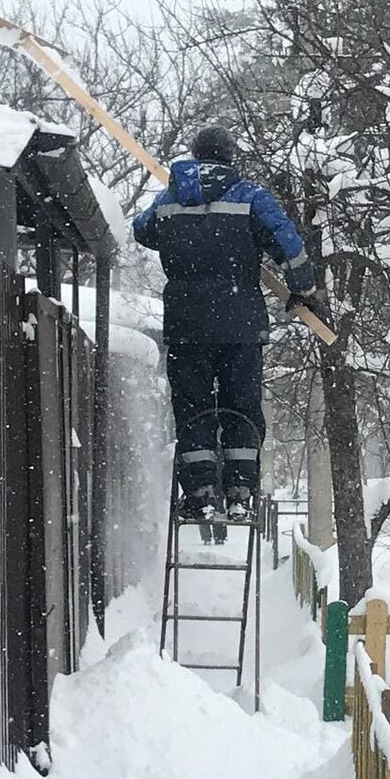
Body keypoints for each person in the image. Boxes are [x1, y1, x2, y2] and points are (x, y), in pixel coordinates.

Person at [134, 126, 316, 520]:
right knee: (242, 405)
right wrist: (303, 287)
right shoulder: (250, 197)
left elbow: (142, 231)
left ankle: (199, 494)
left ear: (196, 155)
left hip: (186, 325)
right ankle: (239, 493)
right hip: (241, 324)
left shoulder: (169, 197)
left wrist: (185, 231)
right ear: (230, 156)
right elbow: (286, 241)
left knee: (193, 407)